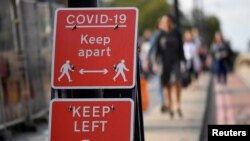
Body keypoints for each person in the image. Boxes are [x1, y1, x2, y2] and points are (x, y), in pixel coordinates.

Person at [153, 14, 185, 118]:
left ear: (171, 22)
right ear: (161, 23)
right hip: (163, 62)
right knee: (166, 85)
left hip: (175, 60)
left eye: (168, 21)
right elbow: (156, 51)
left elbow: (181, 47)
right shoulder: (159, 34)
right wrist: (155, 63)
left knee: (177, 82)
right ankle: (170, 106)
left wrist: (184, 60)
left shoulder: (177, 33)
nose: (167, 22)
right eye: (164, 21)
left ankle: (178, 104)